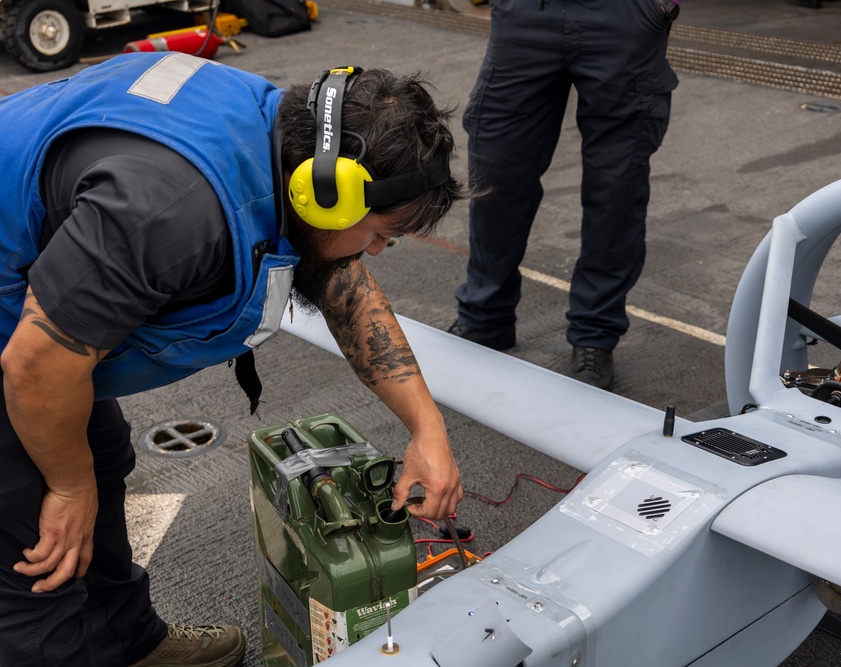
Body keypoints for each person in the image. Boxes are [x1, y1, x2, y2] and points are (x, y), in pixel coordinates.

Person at [0, 52, 464, 667]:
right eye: (381, 233)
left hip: (43, 295)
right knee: (32, 515)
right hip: (25, 342)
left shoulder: (284, 139)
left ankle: (128, 643)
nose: (376, 250)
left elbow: (344, 286)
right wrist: (65, 485)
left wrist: (427, 431)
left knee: (99, 455)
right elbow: (35, 366)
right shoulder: (167, 215)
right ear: (325, 195)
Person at [448, 0, 679, 389]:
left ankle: (595, 334)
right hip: (526, 15)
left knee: (616, 186)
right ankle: (485, 318)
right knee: (496, 168)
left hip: (623, 16)